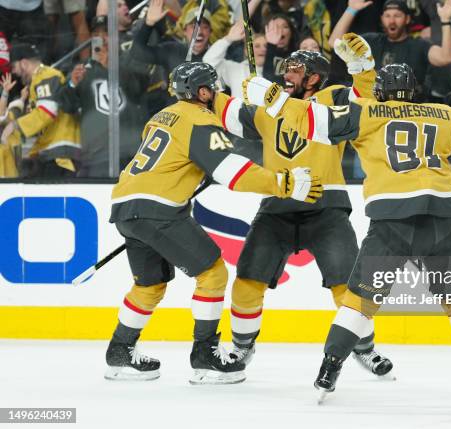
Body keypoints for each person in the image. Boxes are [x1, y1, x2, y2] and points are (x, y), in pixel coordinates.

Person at [242, 63, 451, 401]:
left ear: (381, 91)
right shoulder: (442, 113)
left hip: (392, 222)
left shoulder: (366, 112)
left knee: (358, 303)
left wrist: (273, 99)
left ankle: (328, 372)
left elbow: (315, 123)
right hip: (443, 219)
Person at [104, 61, 322, 384]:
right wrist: (283, 183)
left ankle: (119, 353)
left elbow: (174, 161)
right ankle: (205, 356)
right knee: (213, 272)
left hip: (125, 205)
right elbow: (232, 172)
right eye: (214, 89)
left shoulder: (160, 117)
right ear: (203, 92)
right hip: (160, 208)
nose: (217, 94)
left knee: (149, 285)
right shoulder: (200, 120)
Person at [214, 34, 395, 378]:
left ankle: (364, 348)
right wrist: (196, 88)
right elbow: (222, 112)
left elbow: (365, 97)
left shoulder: (331, 97)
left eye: (295, 70)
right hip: (276, 208)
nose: (286, 74)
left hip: (326, 207)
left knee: (348, 286)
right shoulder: (269, 107)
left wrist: (362, 66)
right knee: (247, 281)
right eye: (286, 68)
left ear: (313, 78)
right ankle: (241, 346)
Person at [59, 15, 149, 177]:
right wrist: (72, 84)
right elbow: (67, 106)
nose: (101, 38)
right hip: (97, 153)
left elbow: (139, 89)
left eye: (106, 33)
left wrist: (111, 66)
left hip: (132, 150)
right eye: (96, 34)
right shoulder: (83, 69)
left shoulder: (130, 59)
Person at [328, 0, 451, 90]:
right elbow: (335, 43)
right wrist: (351, 10)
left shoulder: (419, 46)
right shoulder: (371, 41)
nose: (392, 20)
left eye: (397, 16)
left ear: (407, 19)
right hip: (374, 112)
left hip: (409, 113)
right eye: (387, 16)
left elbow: (446, 57)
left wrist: (446, 21)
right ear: (381, 19)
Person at [5, 43, 80, 177]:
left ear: (24, 63)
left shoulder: (46, 76)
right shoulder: (38, 81)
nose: (13, 72)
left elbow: (47, 112)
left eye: (14, 66)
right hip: (52, 150)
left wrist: (15, 125)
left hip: (60, 153)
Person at [203, 22, 267, 96]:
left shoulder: (276, 71)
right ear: (246, 51)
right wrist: (228, 39)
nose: (263, 49)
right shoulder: (236, 69)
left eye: (266, 46)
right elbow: (208, 61)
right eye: (257, 46)